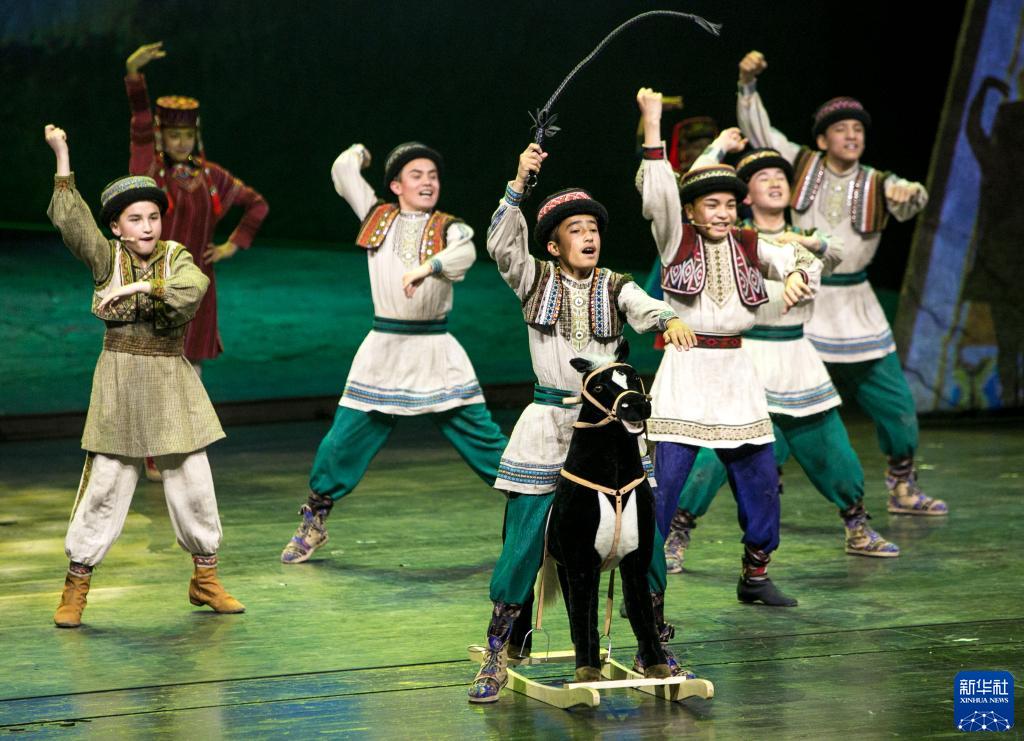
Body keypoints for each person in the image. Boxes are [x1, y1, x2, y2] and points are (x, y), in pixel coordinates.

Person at [469, 142, 696, 703]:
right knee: (525, 539)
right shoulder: (534, 278)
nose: (589, 236)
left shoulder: (614, 285)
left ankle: (651, 642)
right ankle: (501, 646)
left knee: (643, 536)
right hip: (549, 428)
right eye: (576, 229)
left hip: (608, 433)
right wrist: (518, 182)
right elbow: (502, 245)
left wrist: (667, 318)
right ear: (554, 244)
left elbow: (643, 304)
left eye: (593, 228)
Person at [663, 136, 900, 572]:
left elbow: (835, 254)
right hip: (745, 357)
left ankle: (856, 523)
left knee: (830, 445)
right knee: (713, 456)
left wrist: (802, 253)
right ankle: (678, 531)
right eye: (761, 178)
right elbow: (692, 188)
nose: (774, 183)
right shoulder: (729, 239)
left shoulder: (804, 240)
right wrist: (717, 149)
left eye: (780, 177)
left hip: (795, 357)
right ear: (745, 195)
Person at [44, 124, 244, 628]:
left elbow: (191, 289)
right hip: (120, 380)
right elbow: (72, 222)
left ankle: (205, 578)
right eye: (135, 219)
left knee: (193, 478)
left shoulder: (175, 257)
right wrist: (62, 154)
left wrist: (137, 292)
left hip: (171, 380)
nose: (148, 226)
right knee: (106, 483)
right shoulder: (106, 258)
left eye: (153, 216)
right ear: (117, 227)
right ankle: (76, 584)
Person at [736, 50, 947, 516]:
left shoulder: (879, 182)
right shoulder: (801, 167)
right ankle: (767, 486)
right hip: (804, 301)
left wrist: (912, 192)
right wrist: (747, 86)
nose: (852, 136)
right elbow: (761, 133)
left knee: (895, 402)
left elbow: (913, 200)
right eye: (841, 129)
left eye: (858, 130)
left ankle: (902, 484)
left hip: (856, 307)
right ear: (821, 139)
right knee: (782, 403)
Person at [279, 141, 508, 564]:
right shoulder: (377, 217)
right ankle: (315, 518)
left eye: (433, 176)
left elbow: (465, 253)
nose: (427, 182)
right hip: (384, 350)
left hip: (436, 351)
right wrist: (359, 153)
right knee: (342, 441)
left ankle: (537, 503)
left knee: (484, 438)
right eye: (416, 175)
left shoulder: (449, 228)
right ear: (396, 186)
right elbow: (343, 170)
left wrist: (427, 267)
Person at [636, 87, 821, 607]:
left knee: (760, 479)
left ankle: (755, 575)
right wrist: (653, 124)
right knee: (664, 483)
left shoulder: (748, 243)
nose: (722, 213)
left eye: (729, 205)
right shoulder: (675, 240)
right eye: (711, 204)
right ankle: (647, 585)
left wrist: (797, 276)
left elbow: (799, 259)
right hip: (687, 371)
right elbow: (658, 192)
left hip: (737, 373)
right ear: (691, 209)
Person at [125, 42, 269, 481]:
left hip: (199, 284)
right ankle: (154, 451)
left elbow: (256, 204)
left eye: (187, 135)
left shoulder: (211, 177)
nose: (181, 142)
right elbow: (140, 124)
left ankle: (182, 443)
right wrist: (134, 76)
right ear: (163, 136)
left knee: (191, 368)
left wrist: (231, 246)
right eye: (174, 135)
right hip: (158, 281)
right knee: (159, 366)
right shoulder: (150, 169)